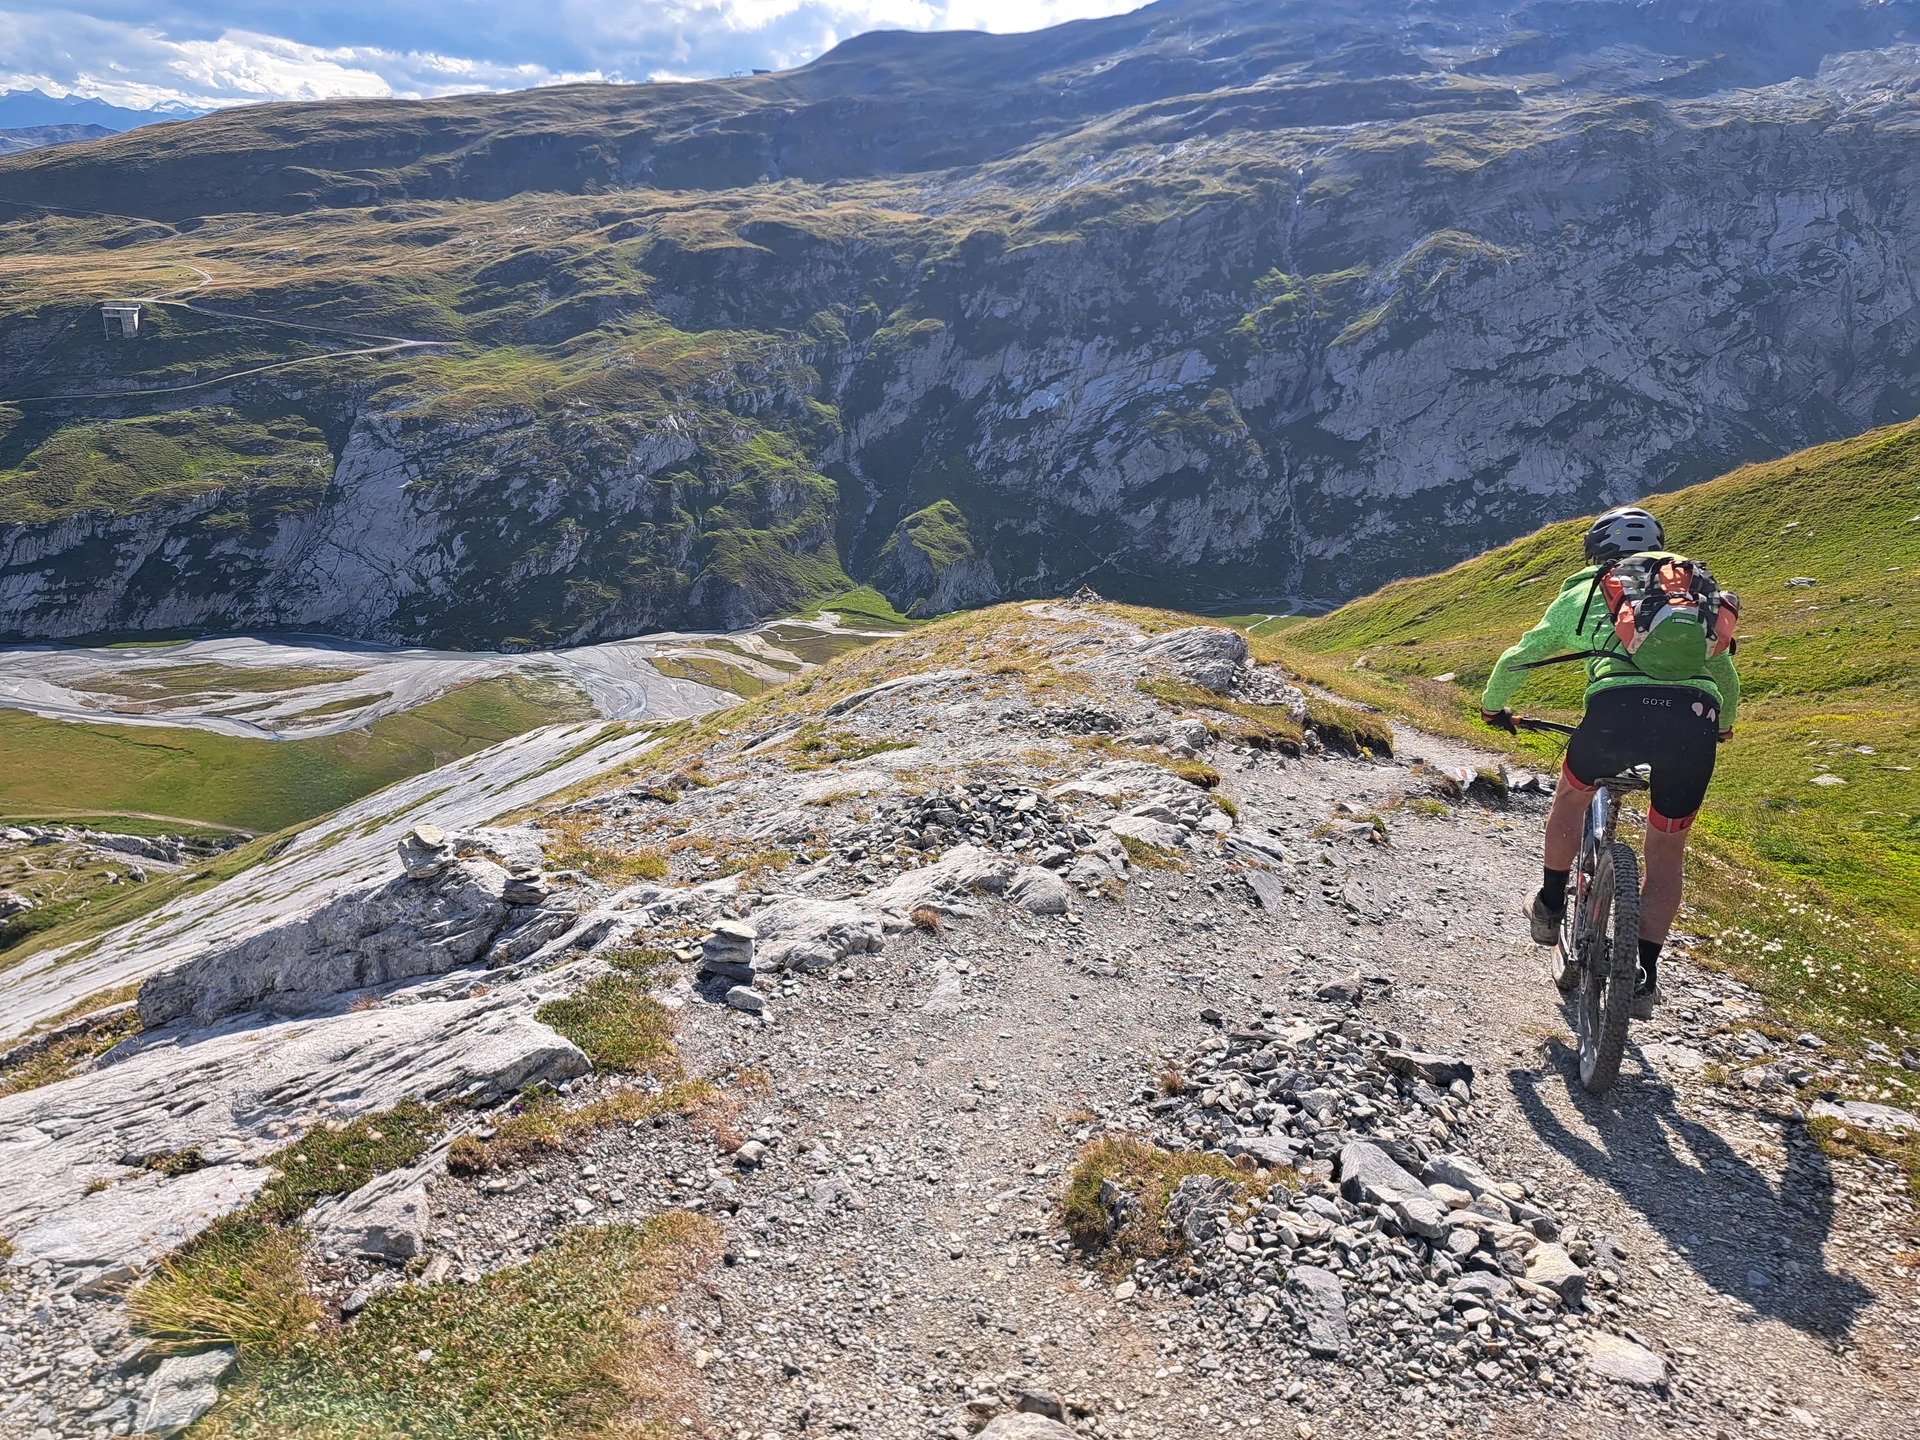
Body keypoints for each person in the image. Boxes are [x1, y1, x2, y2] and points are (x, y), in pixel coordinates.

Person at [1478, 506, 1739, 1017]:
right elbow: (1725, 676)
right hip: (1693, 722)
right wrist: (1722, 724)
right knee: (1667, 848)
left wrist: (1493, 707)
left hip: (1616, 715)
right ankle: (1643, 976)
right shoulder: (1692, 595)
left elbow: (1521, 656)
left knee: (1571, 796)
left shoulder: (1586, 590)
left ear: (1595, 554)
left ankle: (1551, 904)